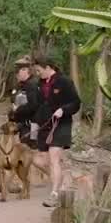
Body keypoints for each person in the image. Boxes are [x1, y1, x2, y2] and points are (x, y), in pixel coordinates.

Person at [31, 58, 80, 207]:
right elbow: (38, 105)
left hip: (61, 124)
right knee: (39, 160)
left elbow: (76, 103)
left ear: (47, 67)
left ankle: (54, 194)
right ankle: (63, 181)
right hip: (44, 126)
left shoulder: (64, 81)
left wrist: (63, 110)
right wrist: (34, 123)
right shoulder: (39, 84)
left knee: (54, 158)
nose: (37, 74)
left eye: (39, 70)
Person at [9, 55, 41, 148]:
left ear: (26, 70)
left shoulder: (32, 85)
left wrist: (18, 109)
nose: (17, 74)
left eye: (18, 71)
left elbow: (33, 105)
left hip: (31, 126)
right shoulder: (21, 86)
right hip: (21, 125)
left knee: (28, 154)